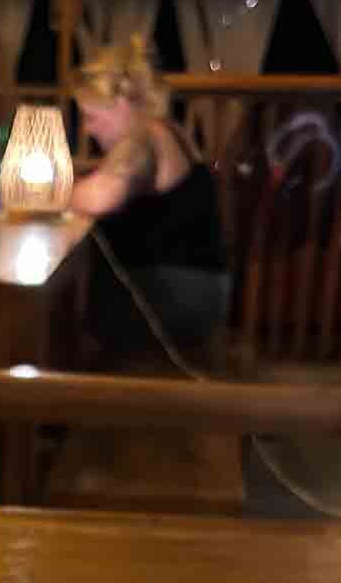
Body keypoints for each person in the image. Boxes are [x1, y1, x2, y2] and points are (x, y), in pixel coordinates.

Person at [70, 39, 231, 360]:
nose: (88, 130)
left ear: (121, 104)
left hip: (172, 301)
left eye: (92, 116)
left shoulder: (142, 140)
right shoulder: (167, 131)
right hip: (200, 296)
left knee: (62, 321)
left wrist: (41, 192)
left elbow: (102, 197)